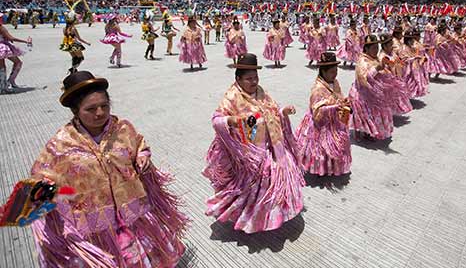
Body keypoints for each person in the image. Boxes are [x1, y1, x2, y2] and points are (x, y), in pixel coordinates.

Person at [29, 71, 188, 267]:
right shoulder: (60, 144)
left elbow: (139, 145)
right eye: (91, 108)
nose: (100, 113)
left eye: (104, 106)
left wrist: (142, 156)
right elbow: (40, 177)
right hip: (96, 226)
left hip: (132, 212)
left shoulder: (122, 128)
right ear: (75, 111)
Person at [202, 53, 304, 233]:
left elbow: (271, 110)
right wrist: (230, 121)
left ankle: (273, 217)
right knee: (253, 189)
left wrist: (282, 112)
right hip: (249, 154)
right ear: (238, 79)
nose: (254, 82)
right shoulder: (232, 97)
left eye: (256, 77)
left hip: (271, 146)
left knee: (274, 181)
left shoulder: (261, 92)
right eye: (249, 79)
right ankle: (249, 218)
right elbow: (216, 119)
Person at [295, 52, 352, 176]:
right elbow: (317, 112)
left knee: (335, 146)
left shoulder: (335, 82)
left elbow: (338, 96)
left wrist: (343, 101)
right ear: (323, 72)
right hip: (321, 125)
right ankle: (320, 170)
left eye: (336, 70)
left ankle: (331, 168)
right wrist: (333, 107)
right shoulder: (318, 89)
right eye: (332, 72)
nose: (335, 74)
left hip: (334, 120)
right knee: (321, 149)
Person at [349, 35, 395, 140]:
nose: (376, 50)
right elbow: (363, 77)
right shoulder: (362, 61)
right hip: (362, 93)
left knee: (372, 115)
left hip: (372, 91)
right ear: (367, 49)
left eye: (377, 48)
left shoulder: (374, 58)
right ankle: (358, 133)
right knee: (362, 115)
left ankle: (368, 132)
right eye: (373, 48)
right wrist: (377, 68)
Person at [0, 14, 31, 93]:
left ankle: (6, 84)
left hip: (3, 46)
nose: (4, 19)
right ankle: (5, 86)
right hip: (2, 47)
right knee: (15, 63)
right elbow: (11, 38)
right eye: (2, 18)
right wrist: (26, 41)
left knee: (4, 66)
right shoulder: (1, 27)